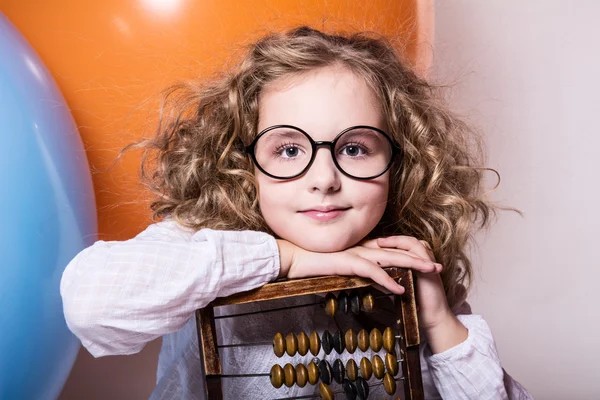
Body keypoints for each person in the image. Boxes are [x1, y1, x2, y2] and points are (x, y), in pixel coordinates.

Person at [61, 26, 533, 399]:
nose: (324, 178)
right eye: (288, 150)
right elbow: (90, 304)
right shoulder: (201, 243)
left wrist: (440, 325)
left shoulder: (407, 267)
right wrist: (285, 259)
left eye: (354, 148)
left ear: (400, 163)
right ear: (243, 163)